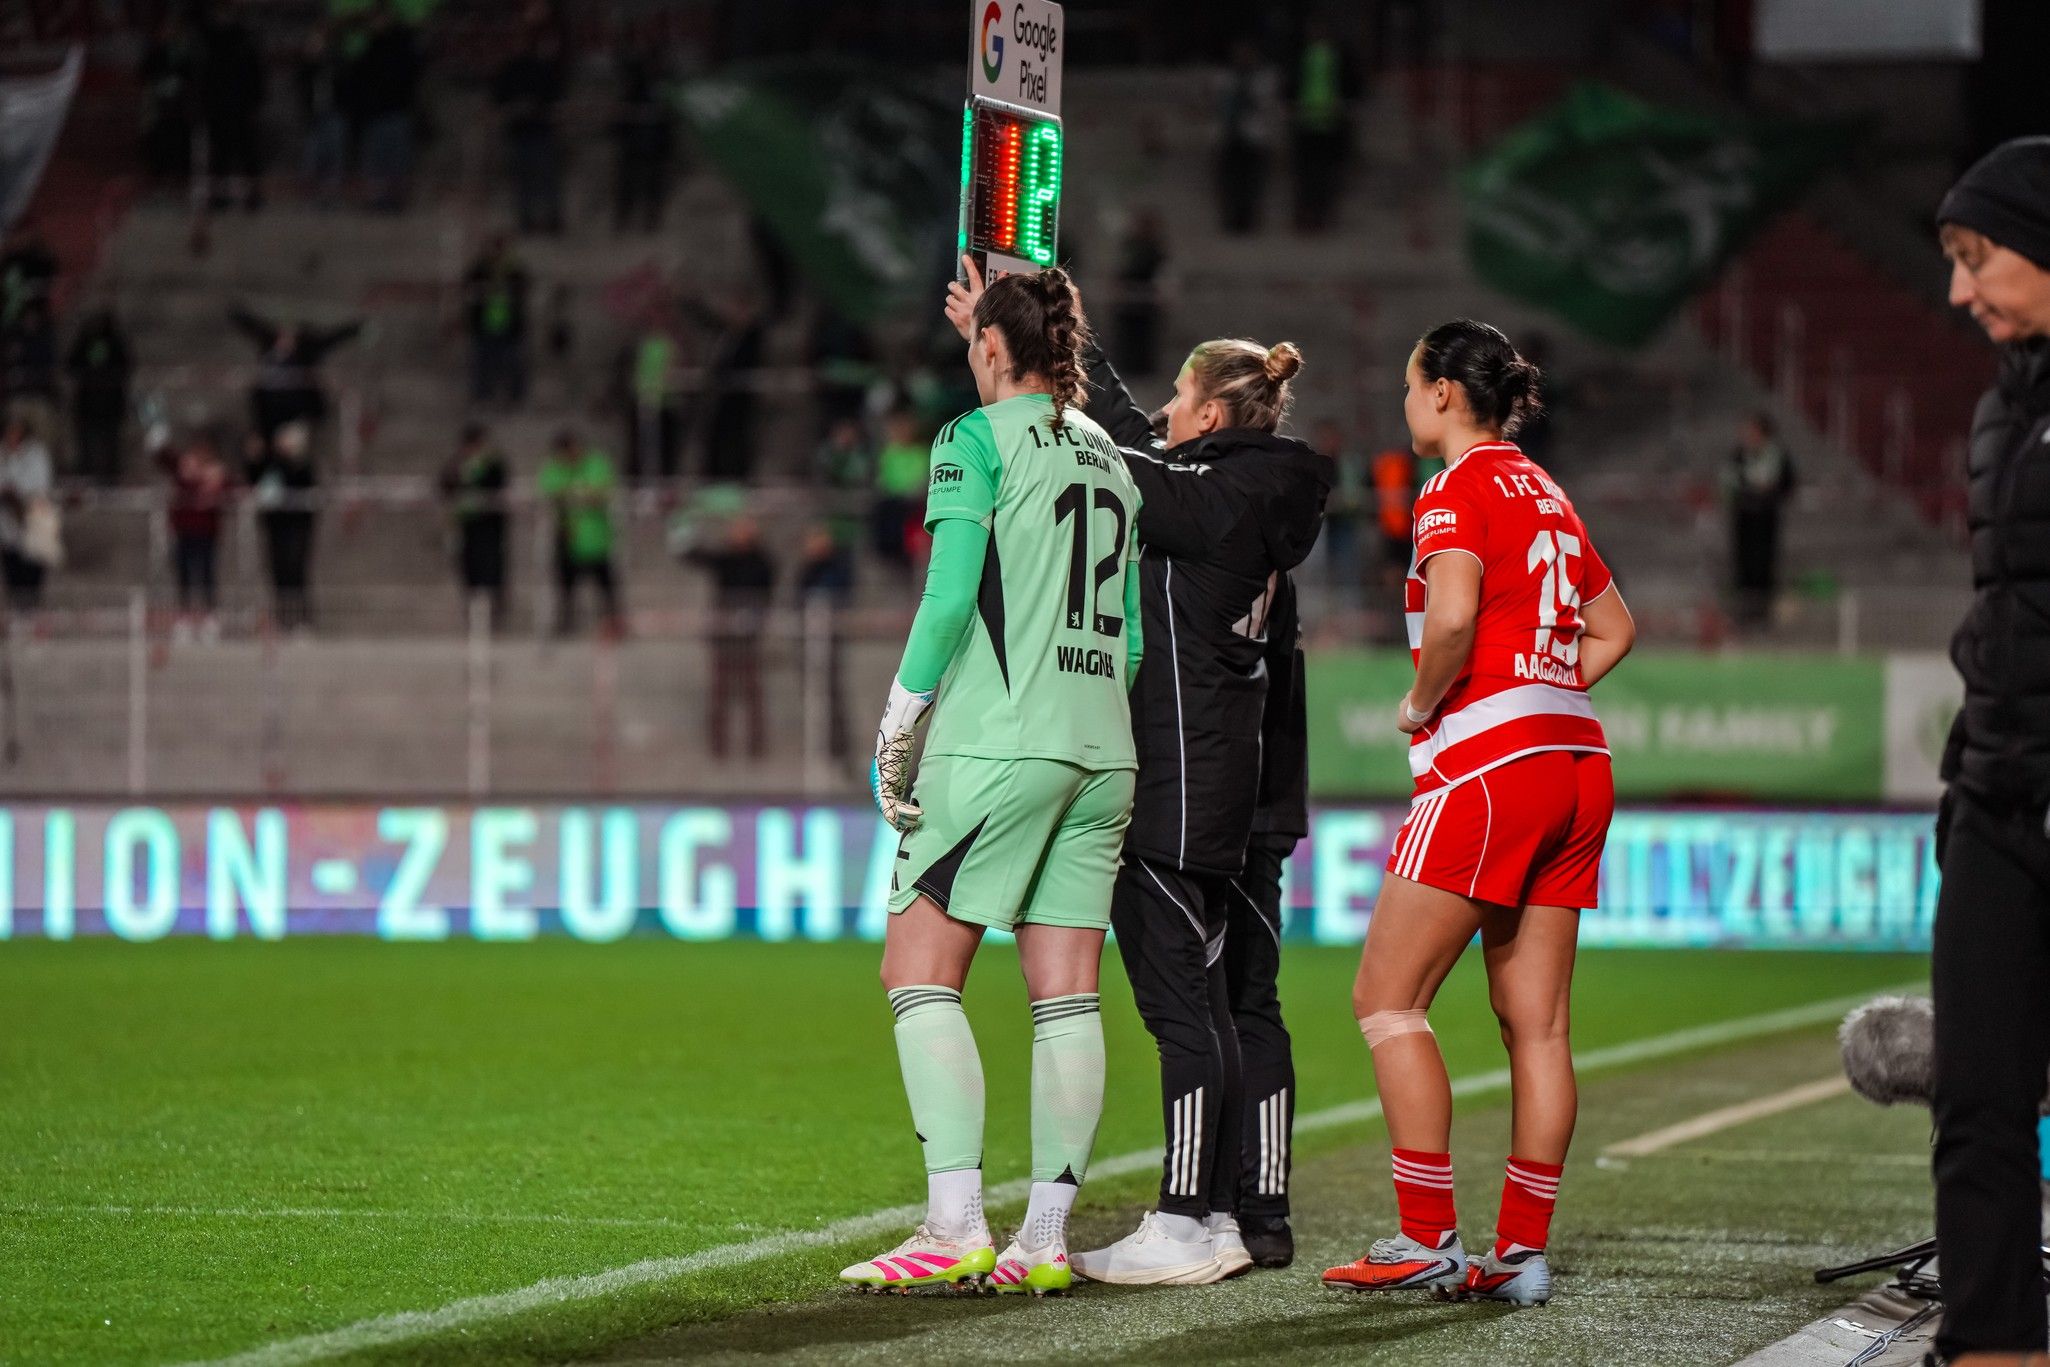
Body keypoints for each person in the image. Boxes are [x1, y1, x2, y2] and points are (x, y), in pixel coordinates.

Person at [1319, 320, 1634, 1308]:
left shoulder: (1453, 487)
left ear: (1446, 393)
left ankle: (1425, 1238)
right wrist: (1542, 696)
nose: (1405, 401)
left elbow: (1451, 615)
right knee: (1537, 1029)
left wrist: (1423, 704)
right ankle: (1519, 1254)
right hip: (1578, 759)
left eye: (1411, 385)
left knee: (1386, 997)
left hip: (1492, 768)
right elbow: (1614, 626)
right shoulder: (1544, 487)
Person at [843, 266, 1143, 1298]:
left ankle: (952, 1223)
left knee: (916, 968)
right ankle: (1044, 1237)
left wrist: (899, 722)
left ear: (986, 351)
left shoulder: (970, 439)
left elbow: (947, 595)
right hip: (1101, 746)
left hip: (996, 741)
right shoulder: (1110, 453)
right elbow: (1135, 639)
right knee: (1066, 992)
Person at [1046, 282, 1332, 1285]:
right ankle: (1256, 1211)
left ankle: (1192, 1211)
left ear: (1211, 412)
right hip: (1257, 783)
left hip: (1193, 781)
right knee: (1249, 1003)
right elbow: (1136, 435)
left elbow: (1113, 446)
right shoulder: (1260, 497)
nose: (1166, 407)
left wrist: (1043, 345)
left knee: (1195, 1005)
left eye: (1180, 394)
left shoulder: (1207, 500)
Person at [1927, 136, 2050, 1367]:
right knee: (1974, 1099)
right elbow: (2003, 610)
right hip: (1997, 799)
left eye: (1977, 258)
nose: (1958, 291)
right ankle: (1993, 1345)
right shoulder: (1996, 409)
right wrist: (1967, 775)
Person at [678, 514, 775, 759]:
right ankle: (718, 746)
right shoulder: (726, 558)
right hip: (723, 635)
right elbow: (695, 556)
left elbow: (767, 590)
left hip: (749, 635)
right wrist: (683, 530)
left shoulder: (761, 561)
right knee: (720, 690)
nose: (737, 533)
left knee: (751, 691)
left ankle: (756, 746)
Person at [229, 305, 363, 444]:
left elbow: (331, 340)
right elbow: (253, 328)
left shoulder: (307, 348)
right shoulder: (269, 342)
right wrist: (236, 314)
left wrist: (355, 329)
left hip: (296, 402)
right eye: (283, 340)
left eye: (290, 340)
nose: (286, 344)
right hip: (271, 401)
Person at [539, 430, 621, 635]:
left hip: (596, 537)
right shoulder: (555, 467)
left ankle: (614, 623)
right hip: (568, 536)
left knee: (606, 586)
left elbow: (601, 493)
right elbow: (549, 491)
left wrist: (574, 495)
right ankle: (566, 623)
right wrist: (579, 495)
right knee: (565, 586)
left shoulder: (597, 463)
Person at [1725, 412, 1795, 628]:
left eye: (1753, 430)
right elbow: (1729, 481)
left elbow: (1787, 483)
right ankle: (1744, 615)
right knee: (1744, 566)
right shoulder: (1739, 455)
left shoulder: (1778, 456)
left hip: (1766, 520)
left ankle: (1764, 614)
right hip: (1745, 519)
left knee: (1764, 565)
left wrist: (1768, 491)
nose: (1749, 435)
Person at [246, 423, 318, 632]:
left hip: (297, 527)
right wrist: (255, 458)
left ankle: (301, 619)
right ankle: (283, 619)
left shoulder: (302, 467)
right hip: (276, 527)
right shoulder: (271, 465)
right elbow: (256, 480)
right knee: (278, 573)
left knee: (296, 572)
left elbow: (302, 483)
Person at [493, 30, 566, 234]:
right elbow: (498, 101)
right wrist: (513, 109)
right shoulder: (508, 70)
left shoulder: (543, 69)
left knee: (547, 179)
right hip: (517, 134)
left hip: (542, 133)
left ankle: (553, 221)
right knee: (522, 181)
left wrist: (536, 107)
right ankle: (526, 222)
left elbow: (555, 100)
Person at [160, 434, 231, 640]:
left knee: (207, 573)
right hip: (183, 532)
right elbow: (166, 459)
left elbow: (231, 488)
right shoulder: (183, 471)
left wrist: (214, 479)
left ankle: (210, 617)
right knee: (183, 574)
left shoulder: (215, 474)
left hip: (207, 533)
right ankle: (184, 616)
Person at [439, 423, 510, 627]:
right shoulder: (457, 463)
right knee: (468, 569)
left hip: (490, 527)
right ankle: (471, 611)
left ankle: (494, 612)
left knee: (492, 570)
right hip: (467, 526)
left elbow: (498, 483)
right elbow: (444, 484)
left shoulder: (493, 463)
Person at [796, 523, 854, 760]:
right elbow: (798, 597)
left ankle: (839, 747)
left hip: (830, 637)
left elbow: (840, 594)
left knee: (831, 693)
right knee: (814, 693)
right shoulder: (806, 569)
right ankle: (819, 746)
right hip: (809, 638)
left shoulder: (837, 567)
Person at [1215, 41, 1279, 235]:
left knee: (1252, 182)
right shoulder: (1225, 78)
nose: (1243, 59)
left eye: (1247, 55)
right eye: (1239, 55)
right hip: (1230, 137)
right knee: (1230, 182)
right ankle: (1232, 219)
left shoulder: (1264, 78)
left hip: (1254, 137)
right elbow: (1219, 104)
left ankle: (1249, 220)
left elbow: (1264, 104)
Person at [610, 53, 675, 234]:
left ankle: (651, 220)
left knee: (654, 185)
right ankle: (623, 219)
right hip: (633, 145)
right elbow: (621, 114)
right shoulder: (635, 86)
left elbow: (670, 121)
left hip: (656, 146)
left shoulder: (667, 88)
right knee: (628, 185)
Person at [464, 238, 532, 407]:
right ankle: (483, 397)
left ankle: (515, 397)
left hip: (509, 328)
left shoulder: (515, 269)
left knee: (512, 363)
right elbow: (469, 289)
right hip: (485, 326)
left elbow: (522, 290)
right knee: (483, 364)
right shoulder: (479, 268)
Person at [67, 309, 132, 484]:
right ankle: (86, 473)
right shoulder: (84, 341)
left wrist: (106, 378)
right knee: (86, 440)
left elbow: (126, 366)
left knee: (111, 441)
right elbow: (71, 365)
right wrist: (89, 377)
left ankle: (111, 476)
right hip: (87, 401)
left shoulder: (116, 342)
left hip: (110, 401)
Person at [0, 417, 54, 612]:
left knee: (32, 573)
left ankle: (32, 610)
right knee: (13, 572)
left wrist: (19, 494)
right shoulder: (2, 454)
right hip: (8, 526)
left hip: (32, 522)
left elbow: (41, 484)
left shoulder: (36, 454)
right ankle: (16, 610)